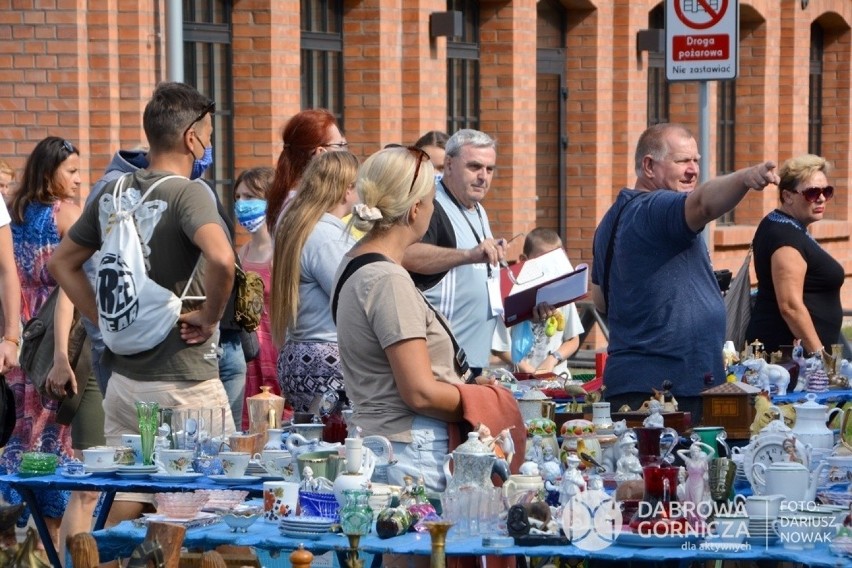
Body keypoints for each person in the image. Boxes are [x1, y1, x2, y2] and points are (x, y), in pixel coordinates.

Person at [48, 82, 237, 523]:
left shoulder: (112, 192)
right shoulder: (188, 193)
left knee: (126, 498)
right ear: (192, 138)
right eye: (208, 135)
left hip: (123, 383)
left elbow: (62, 264)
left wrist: (106, 319)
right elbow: (223, 258)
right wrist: (209, 317)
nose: (208, 145)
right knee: (214, 507)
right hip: (185, 383)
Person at [335, 147, 522, 495]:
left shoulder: (358, 262)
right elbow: (419, 392)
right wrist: (491, 400)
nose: (434, 209)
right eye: (432, 201)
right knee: (427, 548)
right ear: (415, 210)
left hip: (388, 441)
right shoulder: (388, 279)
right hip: (411, 449)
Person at [590, 123, 779, 423]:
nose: (693, 170)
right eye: (682, 161)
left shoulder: (611, 221)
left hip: (641, 387)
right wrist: (745, 178)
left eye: (696, 161)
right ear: (649, 166)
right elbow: (703, 205)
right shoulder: (656, 206)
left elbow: (600, 300)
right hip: (665, 394)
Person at [0, 136, 99, 552]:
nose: (78, 180)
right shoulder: (65, 216)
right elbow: (67, 291)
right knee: (54, 436)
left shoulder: (16, 212)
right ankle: (49, 543)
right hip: (54, 335)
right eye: (71, 171)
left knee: (20, 433)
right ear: (49, 173)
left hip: (18, 331)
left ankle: (17, 533)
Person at [403, 129, 507, 376]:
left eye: (489, 169)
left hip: (472, 361)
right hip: (441, 364)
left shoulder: (477, 208)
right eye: (474, 167)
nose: (483, 177)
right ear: (448, 165)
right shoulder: (431, 204)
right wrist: (467, 255)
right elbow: (405, 254)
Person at [271, 151, 359, 413]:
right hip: (327, 359)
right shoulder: (326, 236)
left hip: (300, 354)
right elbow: (352, 297)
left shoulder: (298, 226)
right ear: (346, 190)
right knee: (335, 445)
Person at [745, 154, 844, 359]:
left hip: (797, 357)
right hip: (790, 361)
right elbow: (790, 306)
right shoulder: (785, 237)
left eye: (826, 191)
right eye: (812, 193)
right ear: (788, 196)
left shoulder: (787, 226)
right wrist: (822, 357)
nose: (822, 198)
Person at [492, 228, 584, 376]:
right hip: (518, 380)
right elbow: (499, 347)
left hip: (555, 380)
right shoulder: (510, 298)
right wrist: (527, 369)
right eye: (542, 261)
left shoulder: (563, 295)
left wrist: (553, 360)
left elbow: (573, 340)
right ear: (524, 260)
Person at [234, 166, 281, 430]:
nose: (242, 204)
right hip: (249, 351)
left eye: (250, 197)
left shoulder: (283, 249)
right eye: (238, 197)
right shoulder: (243, 252)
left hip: (277, 348)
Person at [266, 108, 347, 231]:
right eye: (339, 145)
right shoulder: (302, 207)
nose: (345, 153)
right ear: (320, 153)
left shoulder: (293, 199)